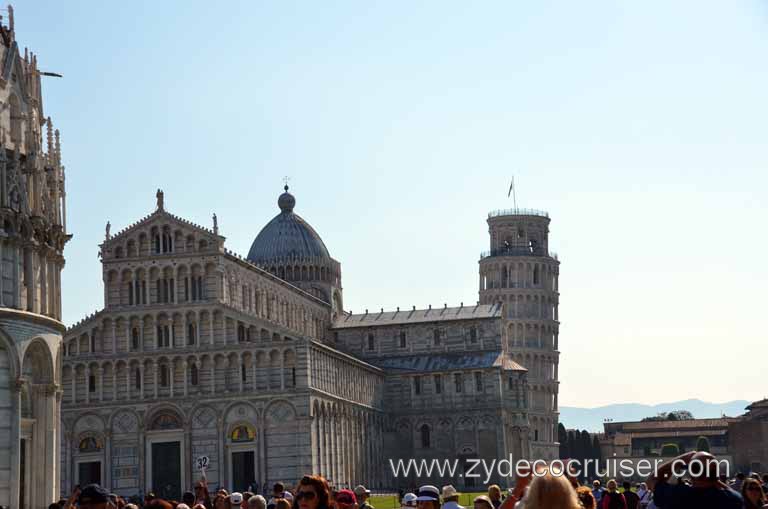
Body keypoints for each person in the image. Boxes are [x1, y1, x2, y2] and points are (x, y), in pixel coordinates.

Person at [647, 451, 742, 509]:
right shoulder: (731, 499)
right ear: (717, 473)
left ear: (692, 472)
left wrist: (683, 458)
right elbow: (734, 494)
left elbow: (651, 479)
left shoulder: (675, 495)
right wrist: (714, 479)